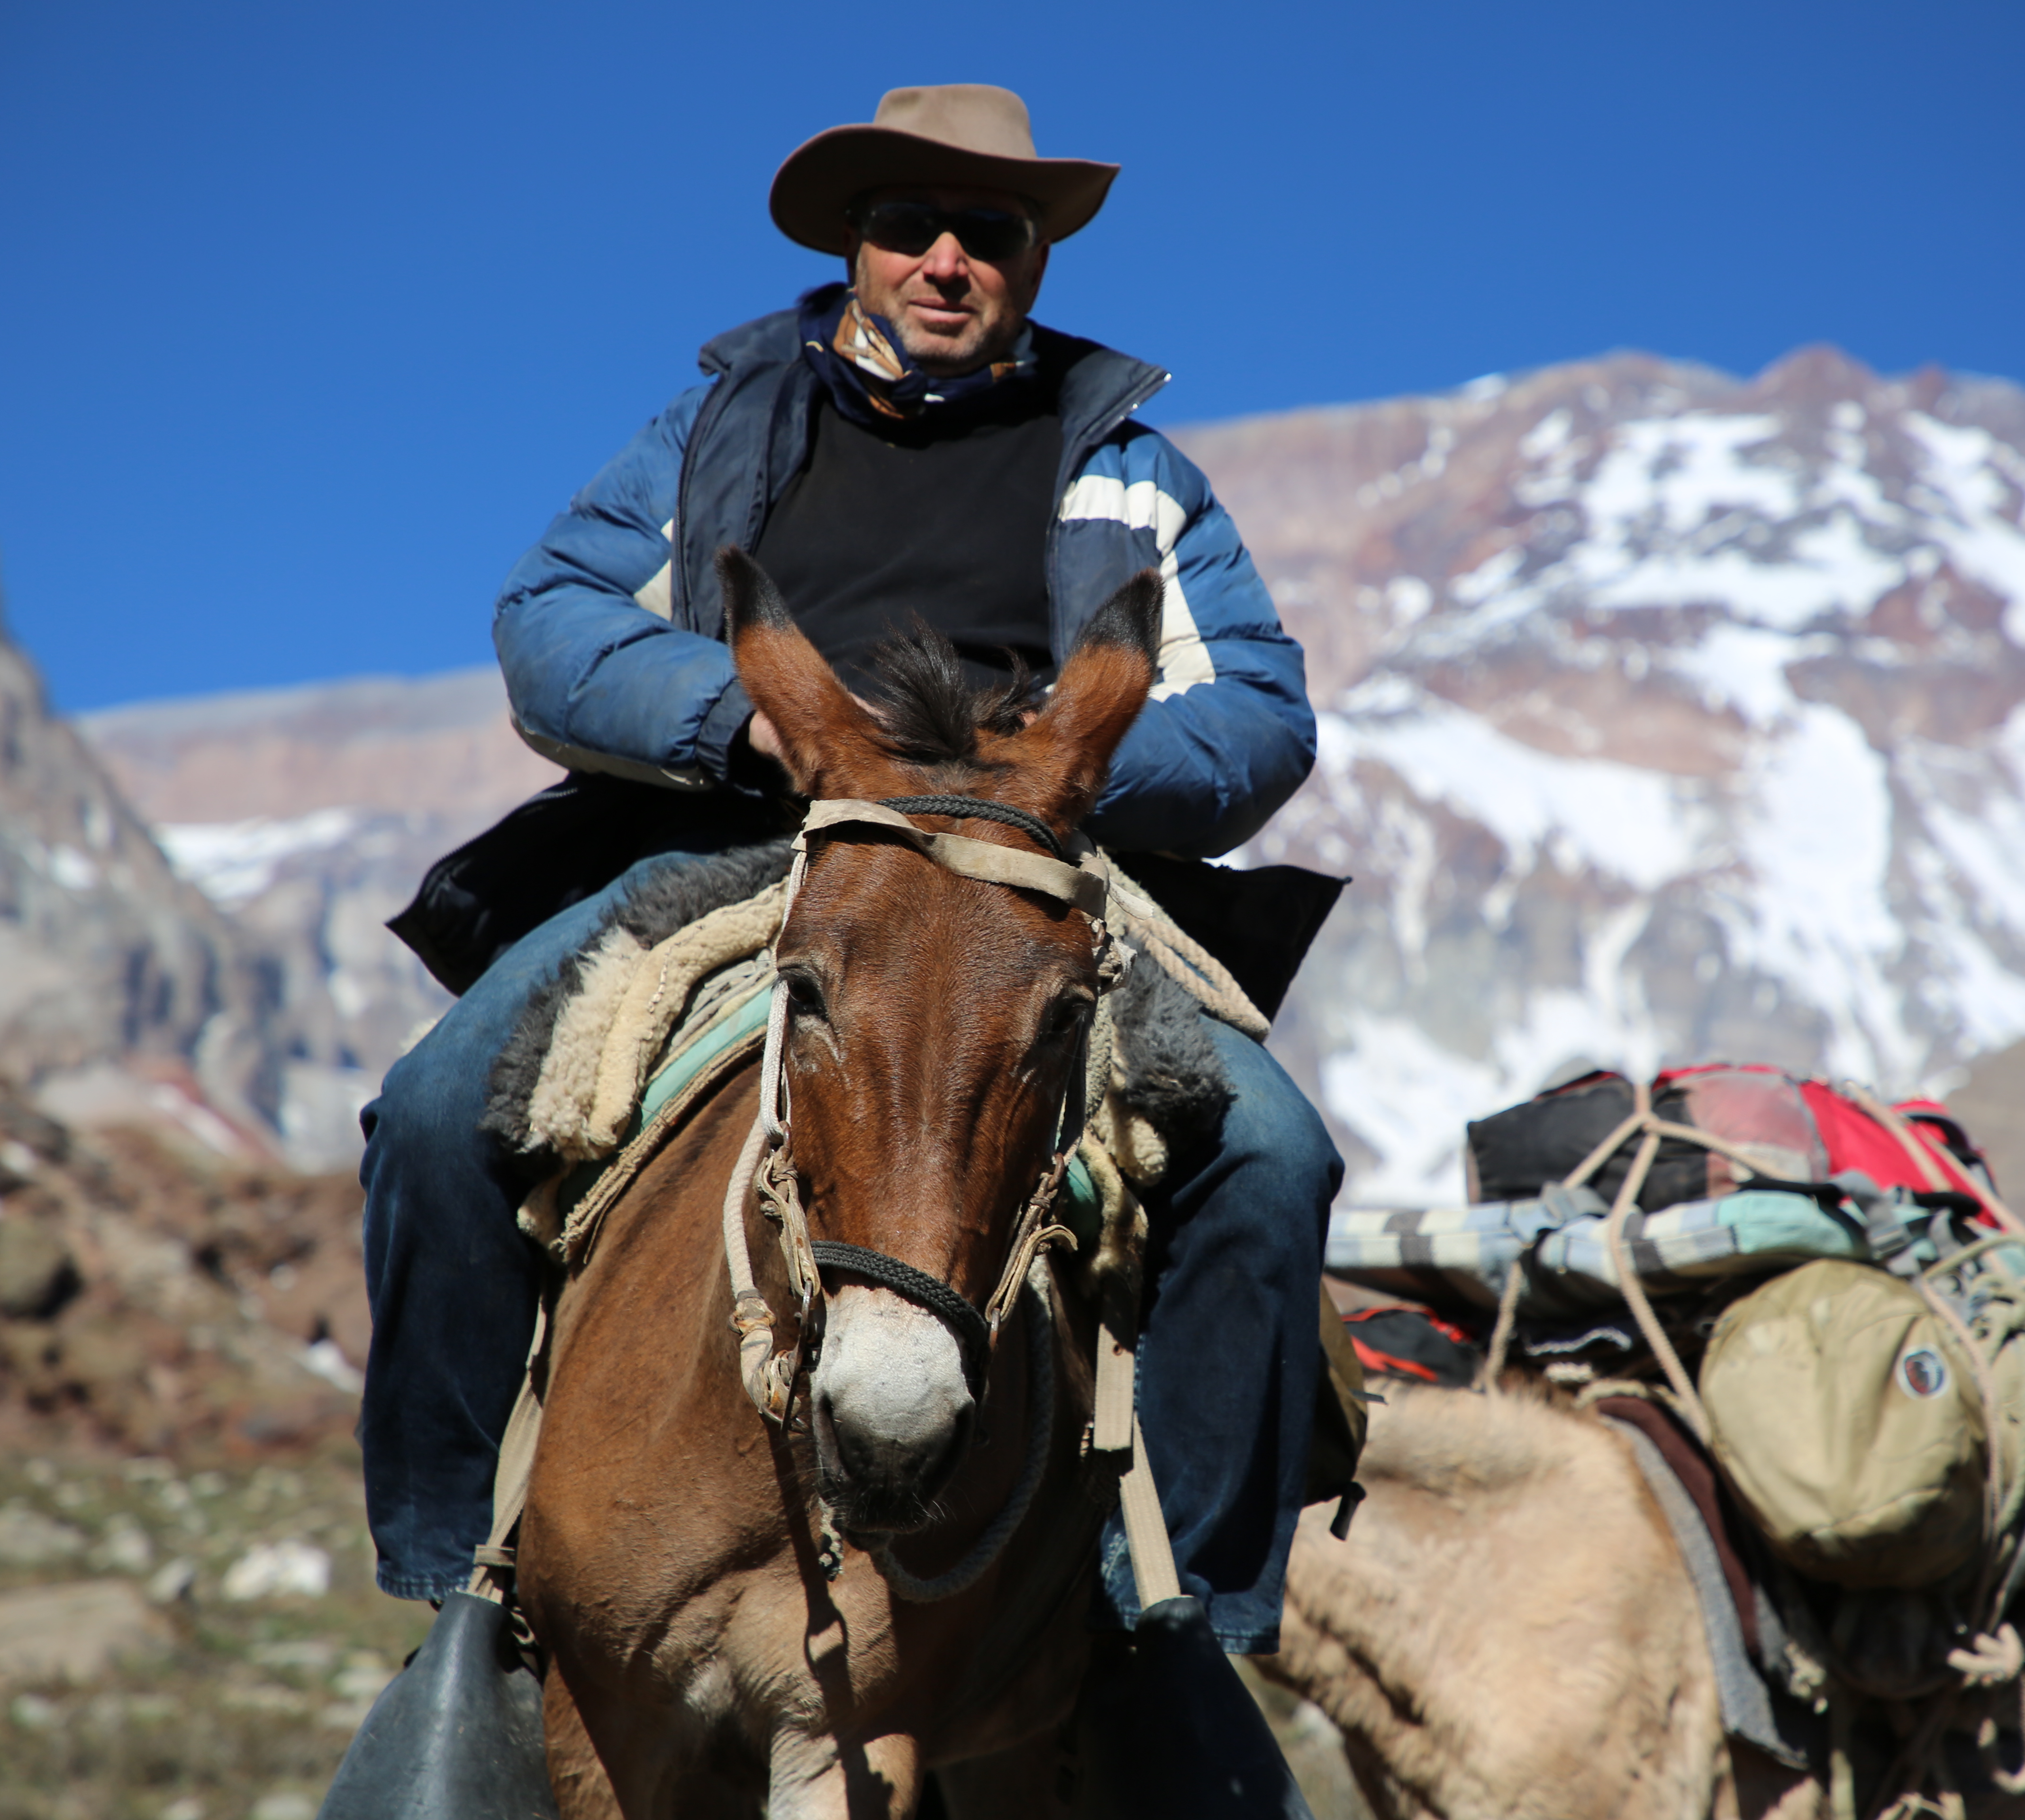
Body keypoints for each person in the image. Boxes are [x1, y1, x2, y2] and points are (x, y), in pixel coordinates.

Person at [358, 84, 1339, 1667]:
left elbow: (1261, 715)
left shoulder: (1132, 467)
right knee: (433, 1115)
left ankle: (1190, 1634)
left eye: (990, 234)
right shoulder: (713, 428)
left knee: (1274, 1164)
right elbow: (551, 619)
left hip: (1032, 857)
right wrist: (737, 719)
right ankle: (456, 1596)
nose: (948, 259)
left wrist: (1061, 772)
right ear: (858, 247)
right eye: (911, 227)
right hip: (748, 840)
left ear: (1031, 262)